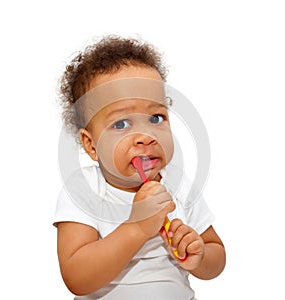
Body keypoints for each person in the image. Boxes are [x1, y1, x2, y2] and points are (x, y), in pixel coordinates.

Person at [54, 35, 226, 299]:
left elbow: (216, 255)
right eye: (121, 124)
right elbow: (76, 277)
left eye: (156, 118)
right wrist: (137, 227)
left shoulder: (177, 185)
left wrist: (198, 255)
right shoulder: (84, 189)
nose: (146, 136)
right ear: (91, 145)